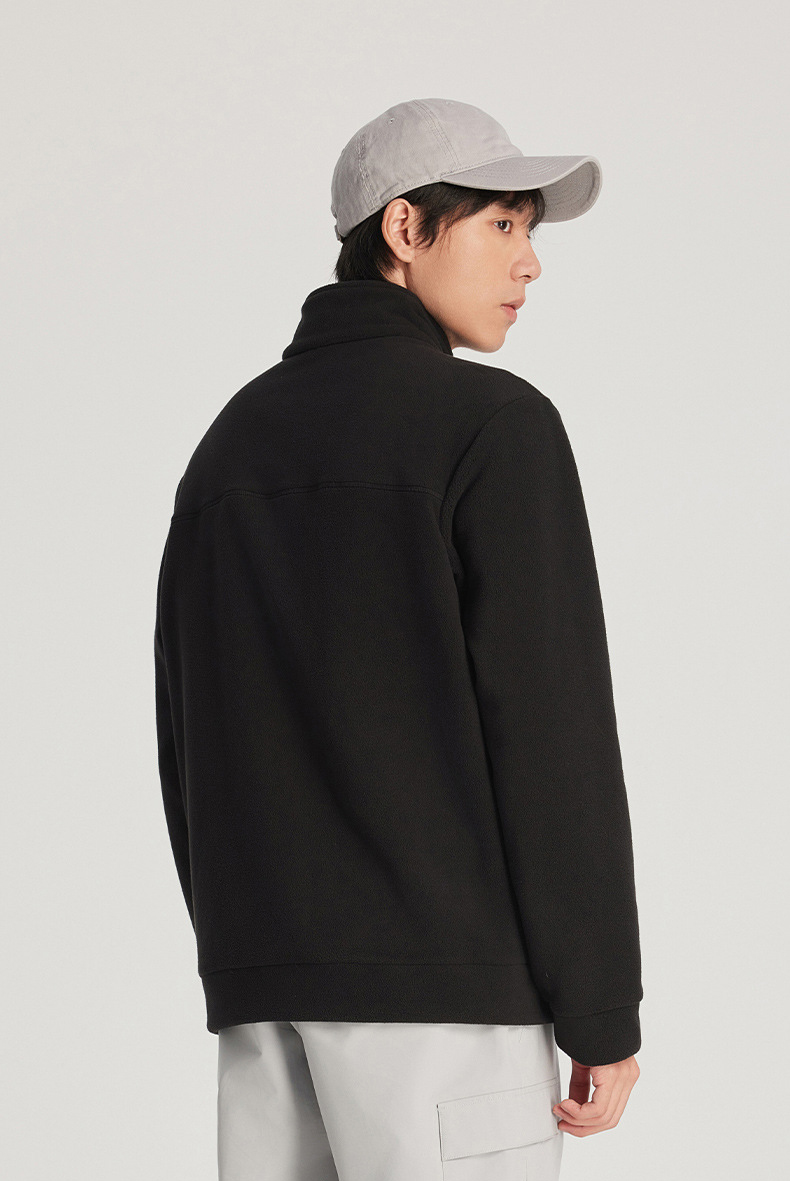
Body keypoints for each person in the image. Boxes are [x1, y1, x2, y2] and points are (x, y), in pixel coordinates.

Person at [154, 97, 643, 1180]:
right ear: (405, 227)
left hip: (267, 1002)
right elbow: (550, 730)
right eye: (501, 224)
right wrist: (601, 1001)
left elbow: (186, 733)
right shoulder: (491, 425)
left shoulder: (228, 445)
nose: (529, 262)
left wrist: (246, 952)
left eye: (529, 230)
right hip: (447, 1010)